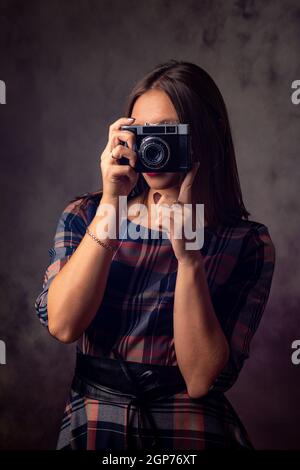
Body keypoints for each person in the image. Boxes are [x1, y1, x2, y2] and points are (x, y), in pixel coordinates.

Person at [35, 59, 276, 450]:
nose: (152, 146)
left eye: (166, 132)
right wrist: (111, 206)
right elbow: (63, 326)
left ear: (204, 137)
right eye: (140, 132)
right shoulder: (85, 215)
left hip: (189, 433)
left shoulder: (246, 242)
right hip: (96, 423)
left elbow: (200, 379)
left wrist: (190, 259)